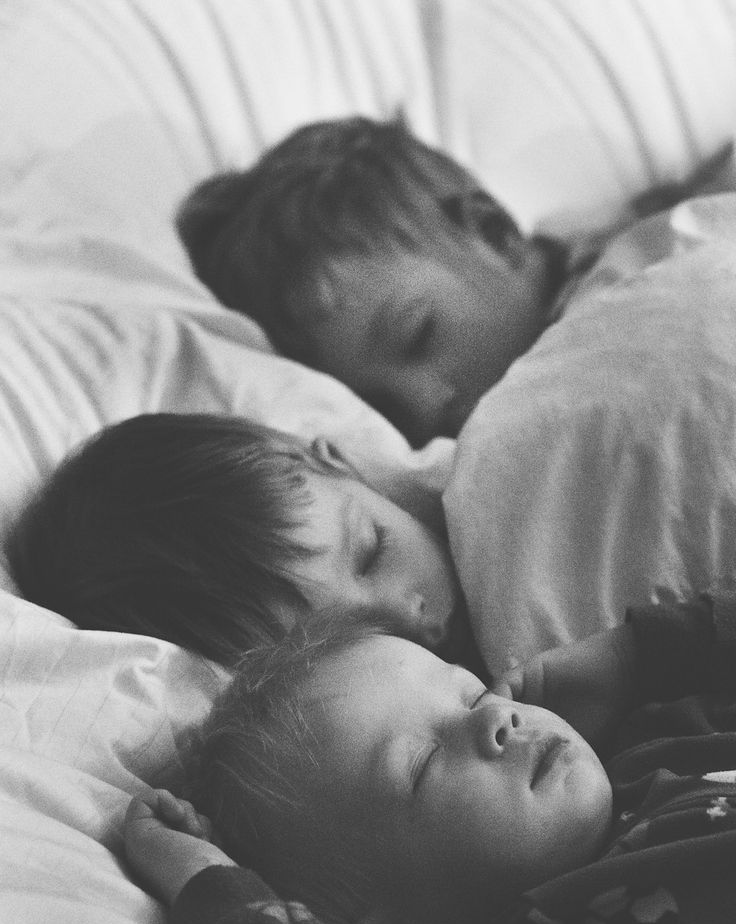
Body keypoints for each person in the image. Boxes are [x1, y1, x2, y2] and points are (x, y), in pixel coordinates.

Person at [124, 591, 736, 924]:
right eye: (423, 763)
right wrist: (207, 881)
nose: (496, 719)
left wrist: (636, 654)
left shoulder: (663, 739)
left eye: (470, 692)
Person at [177, 115, 733, 445]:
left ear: (494, 234)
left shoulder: (645, 255)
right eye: (385, 409)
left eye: (420, 335)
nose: (425, 410)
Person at [7, 411, 478, 670]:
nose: (405, 618)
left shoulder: (483, 483)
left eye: (374, 552)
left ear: (340, 464)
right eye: (348, 644)